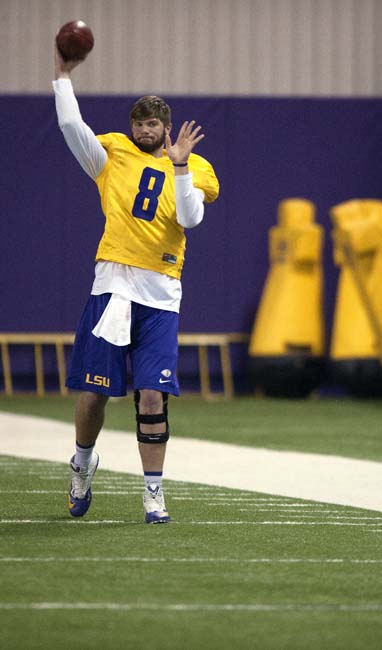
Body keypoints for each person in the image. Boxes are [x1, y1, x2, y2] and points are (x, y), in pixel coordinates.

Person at [53, 45, 220, 524]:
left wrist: (183, 166)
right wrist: (61, 75)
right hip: (113, 286)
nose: (145, 131)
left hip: (162, 293)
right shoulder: (113, 154)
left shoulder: (194, 164)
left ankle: (153, 493)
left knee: (152, 394)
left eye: (153, 124)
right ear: (132, 126)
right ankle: (82, 463)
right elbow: (70, 128)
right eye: (139, 123)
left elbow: (190, 219)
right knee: (94, 391)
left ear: (167, 126)